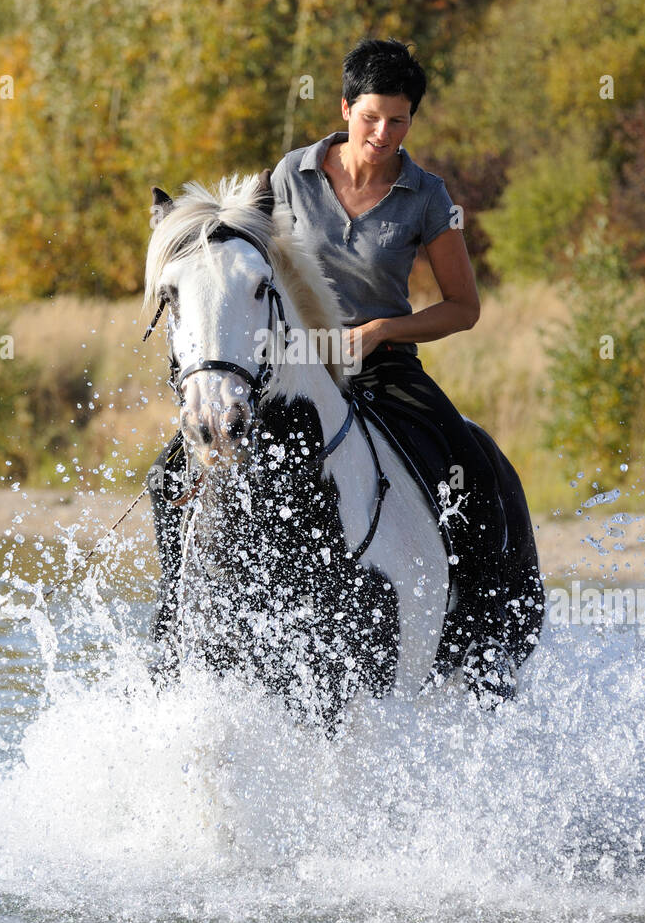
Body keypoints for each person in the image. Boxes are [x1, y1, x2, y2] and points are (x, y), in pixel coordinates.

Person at [147, 38, 526, 705]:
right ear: (345, 108)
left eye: (398, 121)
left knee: (467, 463)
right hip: (291, 367)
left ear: (411, 121)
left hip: (384, 367)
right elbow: (240, 273)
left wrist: (381, 330)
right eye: (370, 117)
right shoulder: (285, 178)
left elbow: (462, 308)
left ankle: (475, 617)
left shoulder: (427, 197)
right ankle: (173, 613)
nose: (382, 134)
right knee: (166, 474)